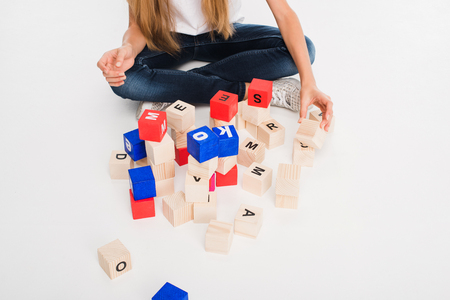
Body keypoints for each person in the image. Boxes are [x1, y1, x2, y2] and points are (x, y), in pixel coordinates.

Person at [97, 0, 333, 131]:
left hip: (223, 33)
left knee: (303, 50)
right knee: (124, 80)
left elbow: (285, 14)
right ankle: (250, 91)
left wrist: (308, 82)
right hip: (168, 39)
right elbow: (136, 26)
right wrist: (127, 48)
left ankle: (170, 89)